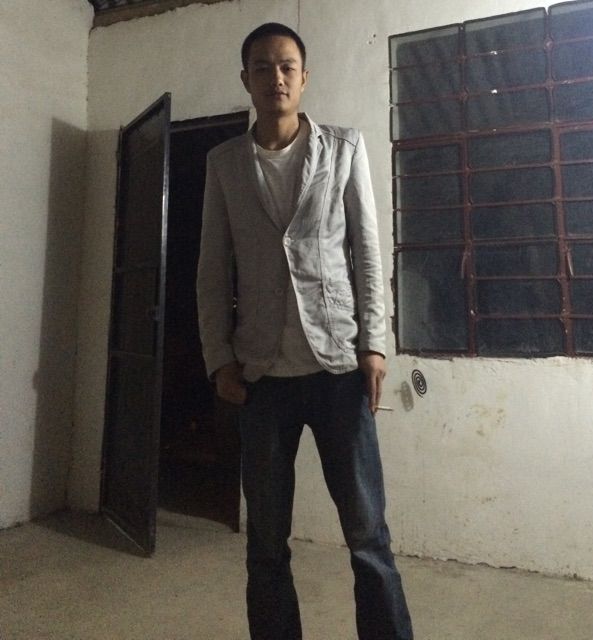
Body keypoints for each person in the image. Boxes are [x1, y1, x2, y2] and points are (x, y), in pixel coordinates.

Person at [197, 22, 413, 640]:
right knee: (266, 540)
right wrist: (220, 359)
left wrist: (374, 344)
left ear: (304, 76)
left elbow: (367, 252)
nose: (277, 77)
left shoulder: (344, 148)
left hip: (338, 367)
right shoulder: (224, 163)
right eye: (263, 67)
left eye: (287, 66)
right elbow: (212, 269)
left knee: (367, 534)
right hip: (262, 377)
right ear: (246, 80)